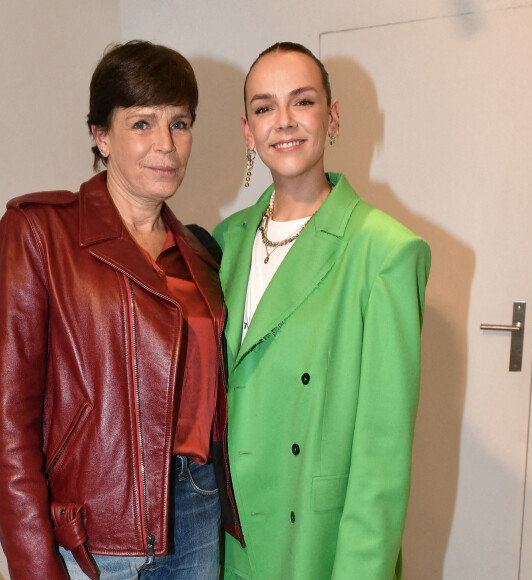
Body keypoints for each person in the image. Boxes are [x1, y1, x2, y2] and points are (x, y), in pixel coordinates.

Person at [0, 40, 242, 580]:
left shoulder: (201, 255)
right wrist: (33, 565)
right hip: (95, 533)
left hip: (197, 507)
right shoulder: (38, 233)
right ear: (101, 135)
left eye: (179, 123)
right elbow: (4, 426)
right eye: (142, 123)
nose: (165, 144)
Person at [213, 42, 431, 579]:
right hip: (227, 538)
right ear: (247, 131)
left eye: (302, 101)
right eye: (264, 108)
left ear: (331, 116)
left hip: (313, 543)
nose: (283, 122)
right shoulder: (224, 242)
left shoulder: (383, 251)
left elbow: (382, 457)